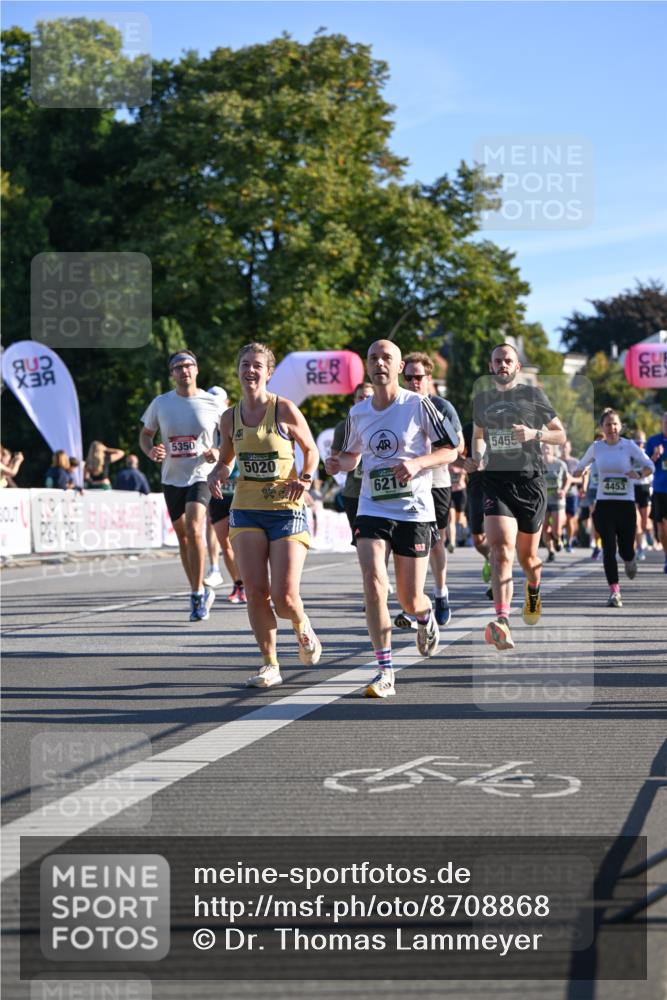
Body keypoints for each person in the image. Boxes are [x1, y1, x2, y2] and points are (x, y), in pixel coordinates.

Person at [325, 339, 460, 699]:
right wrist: (339, 463)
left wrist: (417, 463)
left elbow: (452, 449)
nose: (379, 363)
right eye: (373, 358)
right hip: (373, 506)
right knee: (372, 581)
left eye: (387, 358)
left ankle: (425, 614)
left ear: (399, 367)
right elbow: (353, 456)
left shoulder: (419, 405)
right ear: (368, 367)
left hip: (414, 510)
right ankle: (385, 670)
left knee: (408, 597)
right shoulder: (359, 413)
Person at [208, 342, 322, 688]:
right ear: (238, 370)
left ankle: (301, 623)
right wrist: (217, 472)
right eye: (245, 364)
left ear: (269, 372)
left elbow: (310, 450)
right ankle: (270, 663)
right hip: (245, 509)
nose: (251, 371)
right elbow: (226, 458)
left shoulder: (283, 409)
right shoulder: (229, 417)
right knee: (256, 591)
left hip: (286, 509)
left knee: (285, 597)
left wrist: (304, 478)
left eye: (258, 365)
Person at [470, 343, 566, 651]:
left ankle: (534, 587)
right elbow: (478, 436)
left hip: (530, 482)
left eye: (507, 360)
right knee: (501, 549)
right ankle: (502, 620)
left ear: (517, 366)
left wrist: (534, 434)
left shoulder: (533, 396)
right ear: (490, 365)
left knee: (528, 558)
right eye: (497, 360)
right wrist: (478, 456)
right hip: (496, 481)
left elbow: (560, 434)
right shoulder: (482, 400)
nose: (502, 364)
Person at [140, 349, 226, 621]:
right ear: (172, 374)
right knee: (183, 537)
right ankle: (197, 589)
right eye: (178, 367)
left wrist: (218, 451)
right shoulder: (161, 403)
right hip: (171, 477)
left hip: (201, 474)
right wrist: (150, 450)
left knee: (194, 526)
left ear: (197, 370)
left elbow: (231, 436)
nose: (184, 370)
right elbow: (145, 434)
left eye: (188, 365)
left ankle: (199, 594)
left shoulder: (213, 403)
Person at [397, 351, 463, 627]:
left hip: (435, 482)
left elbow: (458, 446)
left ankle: (441, 594)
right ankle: (413, 605)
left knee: (434, 542)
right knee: (409, 546)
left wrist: (424, 456)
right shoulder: (397, 405)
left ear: (429, 378)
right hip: (404, 484)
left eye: (418, 377)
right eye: (408, 377)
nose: (413, 382)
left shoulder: (441, 406)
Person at [574, 409, 653, 606]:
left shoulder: (629, 446)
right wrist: (580, 470)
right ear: (602, 427)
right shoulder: (596, 447)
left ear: (620, 426)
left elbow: (649, 465)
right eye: (608, 425)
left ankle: (630, 558)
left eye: (615, 424)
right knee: (608, 547)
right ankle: (614, 592)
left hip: (626, 505)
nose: (612, 428)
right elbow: (580, 466)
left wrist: (639, 474)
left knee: (626, 548)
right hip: (604, 505)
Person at [645, 411, 667, 573]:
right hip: (660, 489)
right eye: (665, 422)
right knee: (661, 527)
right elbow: (644, 466)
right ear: (661, 423)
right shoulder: (653, 441)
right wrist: (654, 456)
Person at [542, 443, 571, 562]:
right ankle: (551, 551)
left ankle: (558, 539)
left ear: (553, 450)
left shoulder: (560, 464)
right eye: (543, 448)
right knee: (544, 528)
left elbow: (568, 479)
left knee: (556, 530)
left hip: (557, 499)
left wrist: (564, 490)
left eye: (548, 448)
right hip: (543, 500)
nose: (545, 450)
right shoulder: (537, 464)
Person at [631, 430, 651, 560]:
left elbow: (651, 470)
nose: (640, 445)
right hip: (633, 488)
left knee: (645, 521)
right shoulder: (629, 456)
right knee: (636, 521)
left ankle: (647, 533)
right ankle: (639, 548)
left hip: (645, 488)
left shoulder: (646, 455)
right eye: (637, 443)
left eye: (642, 443)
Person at [561, 439, 583, 552]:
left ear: (570, 448)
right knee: (560, 520)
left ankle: (569, 542)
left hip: (571, 494)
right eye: (562, 446)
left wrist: (571, 479)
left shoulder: (575, 462)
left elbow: (581, 479)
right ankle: (560, 537)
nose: (564, 449)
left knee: (570, 520)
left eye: (566, 446)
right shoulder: (556, 461)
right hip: (557, 495)